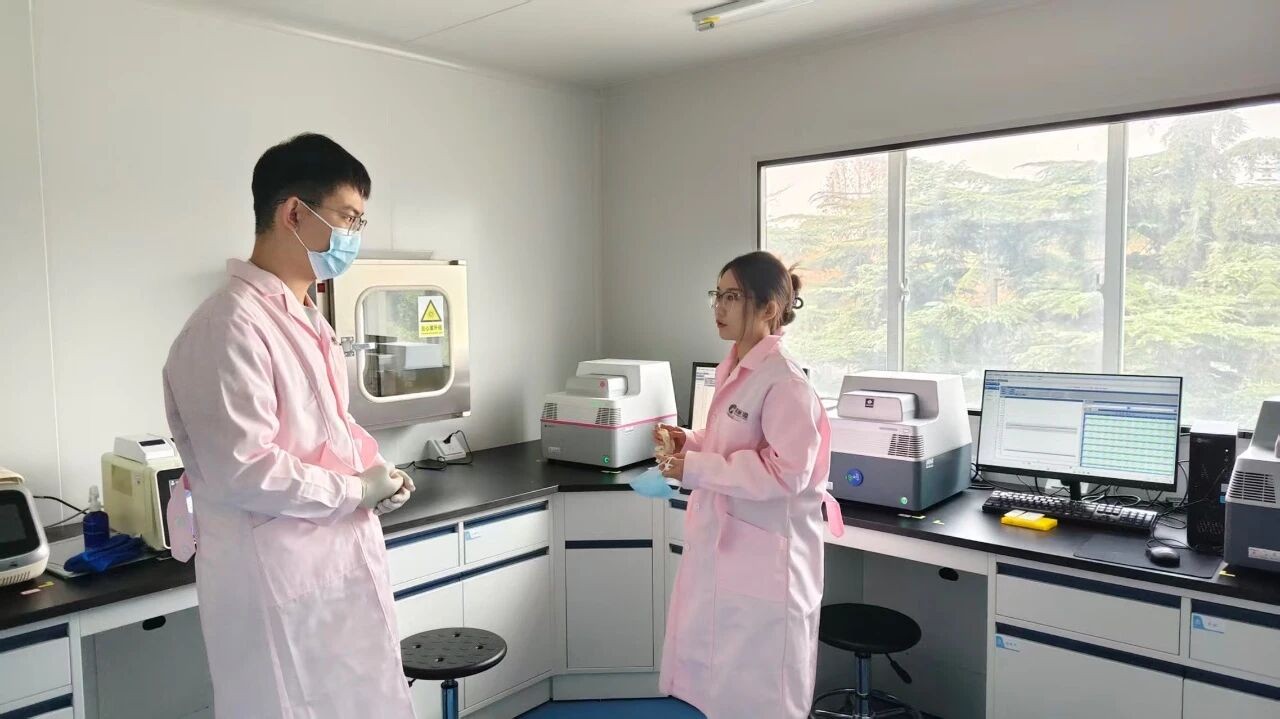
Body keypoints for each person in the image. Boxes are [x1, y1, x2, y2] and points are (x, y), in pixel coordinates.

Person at [162, 133, 416, 718]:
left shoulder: (307, 320)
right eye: (348, 218)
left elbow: (331, 426)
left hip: (335, 568)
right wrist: (353, 491)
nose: (354, 236)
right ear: (295, 213)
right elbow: (244, 468)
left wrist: (375, 473)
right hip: (273, 582)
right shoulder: (228, 327)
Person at [655, 251, 844, 719]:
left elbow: (788, 472)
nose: (719, 307)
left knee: (763, 698)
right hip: (729, 552)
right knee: (723, 691)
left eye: (733, 296)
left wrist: (695, 468)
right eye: (717, 295)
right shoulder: (737, 367)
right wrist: (687, 441)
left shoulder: (784, 382)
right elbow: (729, 442)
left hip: (768, 565)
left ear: (769, 308)